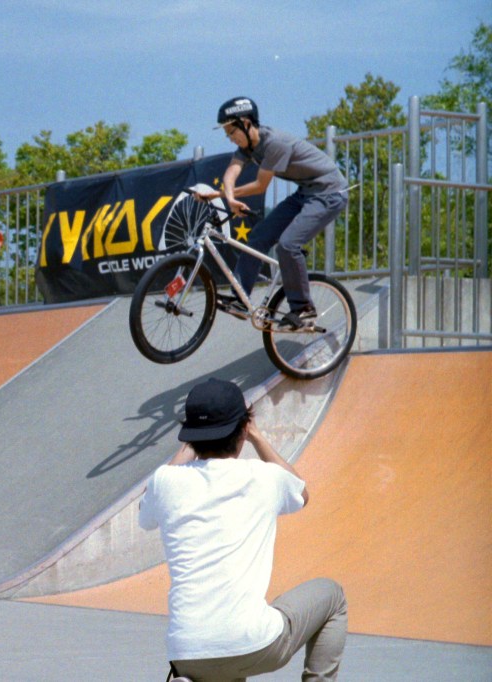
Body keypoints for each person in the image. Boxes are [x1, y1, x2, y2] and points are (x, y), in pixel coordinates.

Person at [140, 378, 346, 682]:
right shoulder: (265, 478)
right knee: (332, 595)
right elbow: (302, 494)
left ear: (191, 436)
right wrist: (258, 437)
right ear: (242, 431)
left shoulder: (164, 482)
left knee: (224, 663)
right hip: (255, 644)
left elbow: (145, 514)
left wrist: (189, 445)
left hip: (187, 652)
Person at [195, 97, 349, 329]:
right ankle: (241, 298)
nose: (231, 138)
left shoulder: (275, 144)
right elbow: (231, 173)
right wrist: (229, 197)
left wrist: (220, 195)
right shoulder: (247, 146)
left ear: (246, 123)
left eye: (232, 132)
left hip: (330, 193)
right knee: (258, 237)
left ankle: (303, 309)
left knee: (288, 244)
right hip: (306, 192)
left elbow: (260, 186)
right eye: (227, 135)